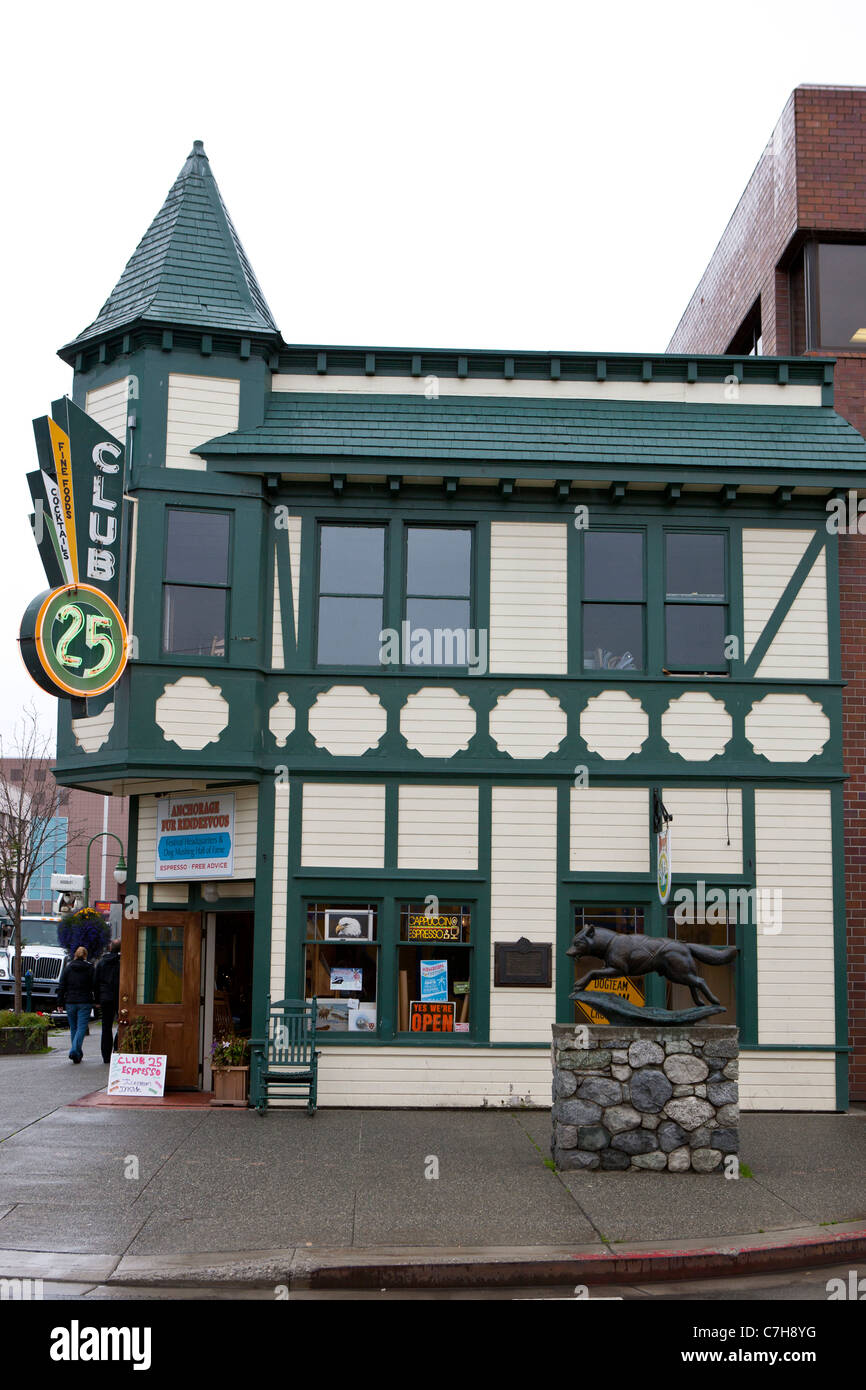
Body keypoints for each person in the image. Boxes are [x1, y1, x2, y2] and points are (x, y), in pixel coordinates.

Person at [57, 946, 95, 1063]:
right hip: (85, 1001)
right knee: (82, 1028)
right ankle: (74, 1050)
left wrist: (60, 1002)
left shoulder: (68, 968)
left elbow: (61, 985)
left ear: (75, 955)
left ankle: (77, 1054)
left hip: (70, 1001)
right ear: (85, 955)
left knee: (73, 1028)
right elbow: (94, 985)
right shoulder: (90, 968)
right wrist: (96, 1000)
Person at [93, 938, 121, 1063]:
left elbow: (96, 982)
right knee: (123, 1023)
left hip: (105, 997)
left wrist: (97, 999)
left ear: (110, 948)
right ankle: (117, 1045)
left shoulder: (101, 963)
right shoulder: (122, 962)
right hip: (119, 996)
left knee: (106, 1026)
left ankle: (106, 1055)